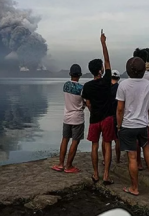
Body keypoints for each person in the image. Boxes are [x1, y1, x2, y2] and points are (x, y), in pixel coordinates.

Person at [116, 57, 149, 196]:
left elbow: (120, 109)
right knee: (146, 146)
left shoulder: (123, 85)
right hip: (143, 124)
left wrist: (119, 125)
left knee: (132, 157)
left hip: (128, 125)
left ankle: (134, 187)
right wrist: (148, 117)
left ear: (128, 71)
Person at [82, 30, 115, 185]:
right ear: (101, 70)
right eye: (102, 67)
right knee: (107, 146)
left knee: (94, 146)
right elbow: (107, 60)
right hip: (108, 118)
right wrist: (103, 42)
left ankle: (95, 174)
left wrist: (92, 111)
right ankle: (106, 175)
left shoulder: (87, 86)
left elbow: (87, 103)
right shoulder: (108, 80)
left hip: (95, 119)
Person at [51, 64, 85, 173]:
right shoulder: (81, 88)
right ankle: (69, 166)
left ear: (70, 74)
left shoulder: (65, 85)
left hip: (67, 117)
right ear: (80, 75)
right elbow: (84, 102)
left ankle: (60, 164)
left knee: (65, 139)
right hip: (77, 118)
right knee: (75, 141)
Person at [133, 48, 149, 170]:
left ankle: (138, 163)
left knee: (137, 140)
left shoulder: (132, 76)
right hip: (147, 111)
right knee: (148, 139)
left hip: (135, 112)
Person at [102, 70, 121, 165]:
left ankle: (104, 159)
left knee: (105, 139)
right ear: (118, 78)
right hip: (116, 116)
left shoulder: (105, 87)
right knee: (117, 139)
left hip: (105, 115)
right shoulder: (119, 88)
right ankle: (117, 159)